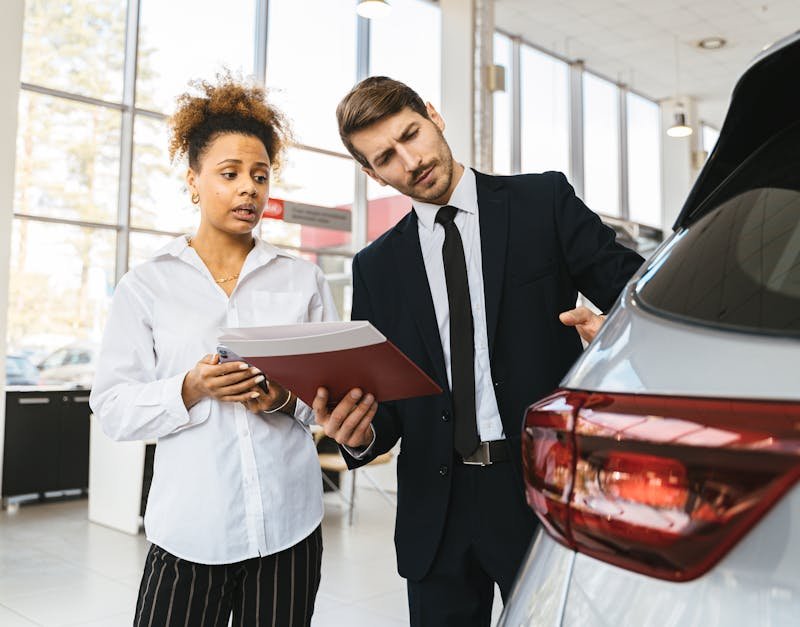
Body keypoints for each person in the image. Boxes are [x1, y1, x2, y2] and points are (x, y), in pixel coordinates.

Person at [312, 76, 644, 626]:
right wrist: (360, 430)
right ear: (372, 174)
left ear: (434, 116)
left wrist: (614, 336)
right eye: (386, 158)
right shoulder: (376, 268)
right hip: (434, 515)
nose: (410, 160)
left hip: (540, 491)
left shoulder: (542, 201)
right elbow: (386, 408)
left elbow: (637, 292)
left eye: (411, 134)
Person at [90, 75, 338, 627]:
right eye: (229, 174)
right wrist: (190, 387)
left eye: (260, 175)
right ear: (194, 182)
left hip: (289, 530)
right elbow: (111, 407)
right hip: (189, 533)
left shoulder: (302, 281)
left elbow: (325, 398)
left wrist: (280, 399)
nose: (248, 188)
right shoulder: (146, 286)